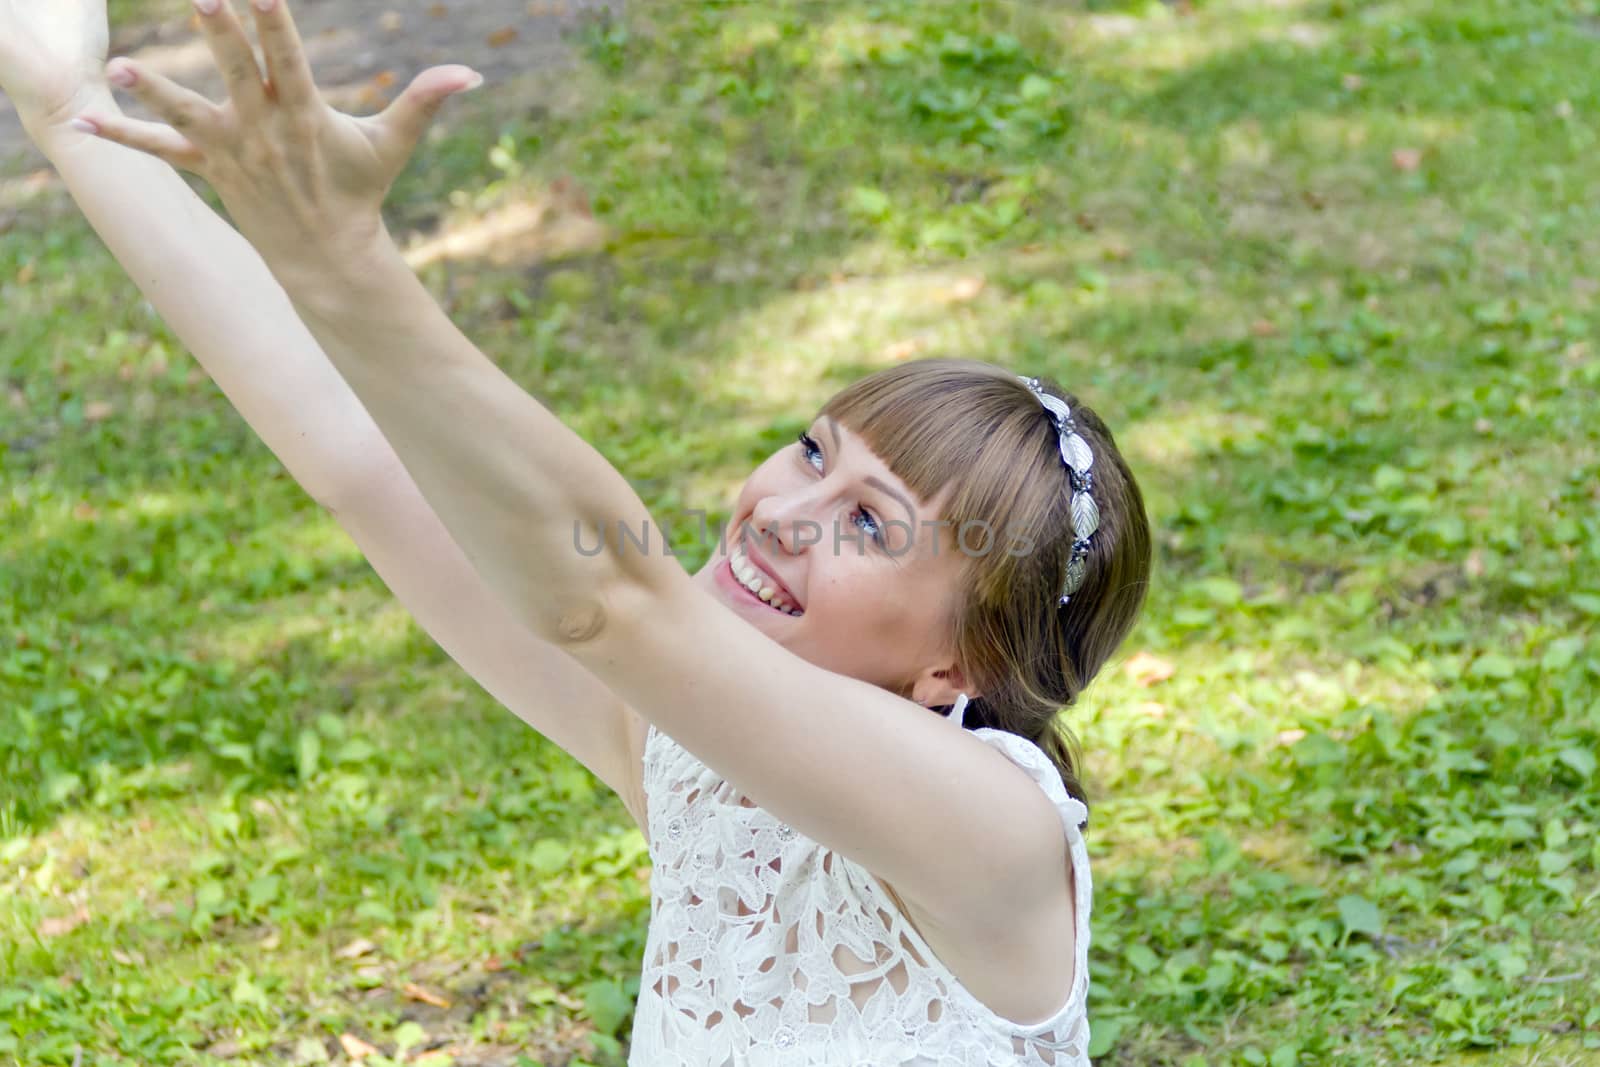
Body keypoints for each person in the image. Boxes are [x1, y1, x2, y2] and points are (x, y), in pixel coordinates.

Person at [0, 1, 1151, 1061]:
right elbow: (358, 455)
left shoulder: (996, 833)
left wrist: (342, 259)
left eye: (865, 519)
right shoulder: (694, 761)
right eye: (810, 451)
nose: (782, 510)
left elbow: (612, 596)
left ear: (965, 662)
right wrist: (69, 113)